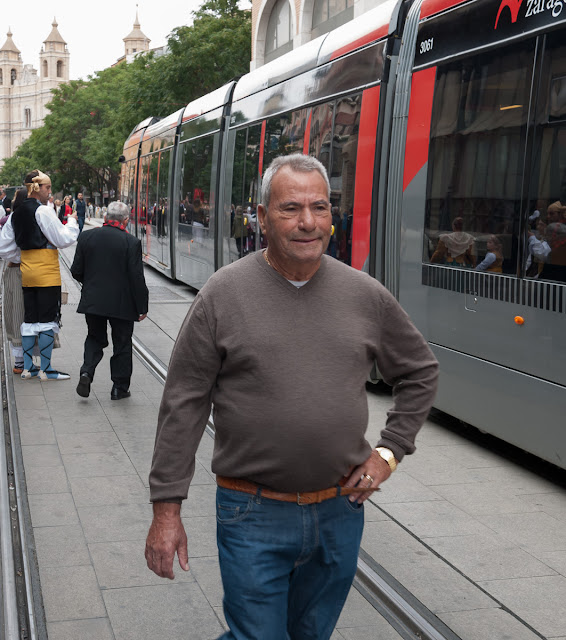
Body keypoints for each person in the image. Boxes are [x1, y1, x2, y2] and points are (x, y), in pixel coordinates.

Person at [145, 154, 439, 640]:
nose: (308, 222)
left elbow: (420, 371)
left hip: (339, 510)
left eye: (319, 208)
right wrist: (166, 510)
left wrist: (390, 452)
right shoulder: (223, 294)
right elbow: (184, 403)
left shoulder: (365, 295)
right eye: (290, 209)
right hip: (251, 511)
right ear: (261, 218)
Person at [0, 170, 79, 380]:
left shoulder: (16, 214)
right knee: (46, 321)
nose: (49, 192)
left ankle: (27, 367)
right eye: (47, 188)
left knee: (30, 321)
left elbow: (3, 246)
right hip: (45, 272)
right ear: (36, 188)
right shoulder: (43, 211)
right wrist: (72, 223)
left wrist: (22, 255)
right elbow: (63, 239)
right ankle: (47, 370)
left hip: (27, 273)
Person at [70, 201, 149, 400]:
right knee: (122, 344)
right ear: (126, 220)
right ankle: (119, 388)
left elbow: (76, 271)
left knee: (94, 338)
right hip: (123, 304)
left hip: (94, 300)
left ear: (105, 218)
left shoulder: (87, 237)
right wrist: (142, 306)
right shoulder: (131, 242)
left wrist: (91, 285)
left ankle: (87, 372)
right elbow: (137, 278)